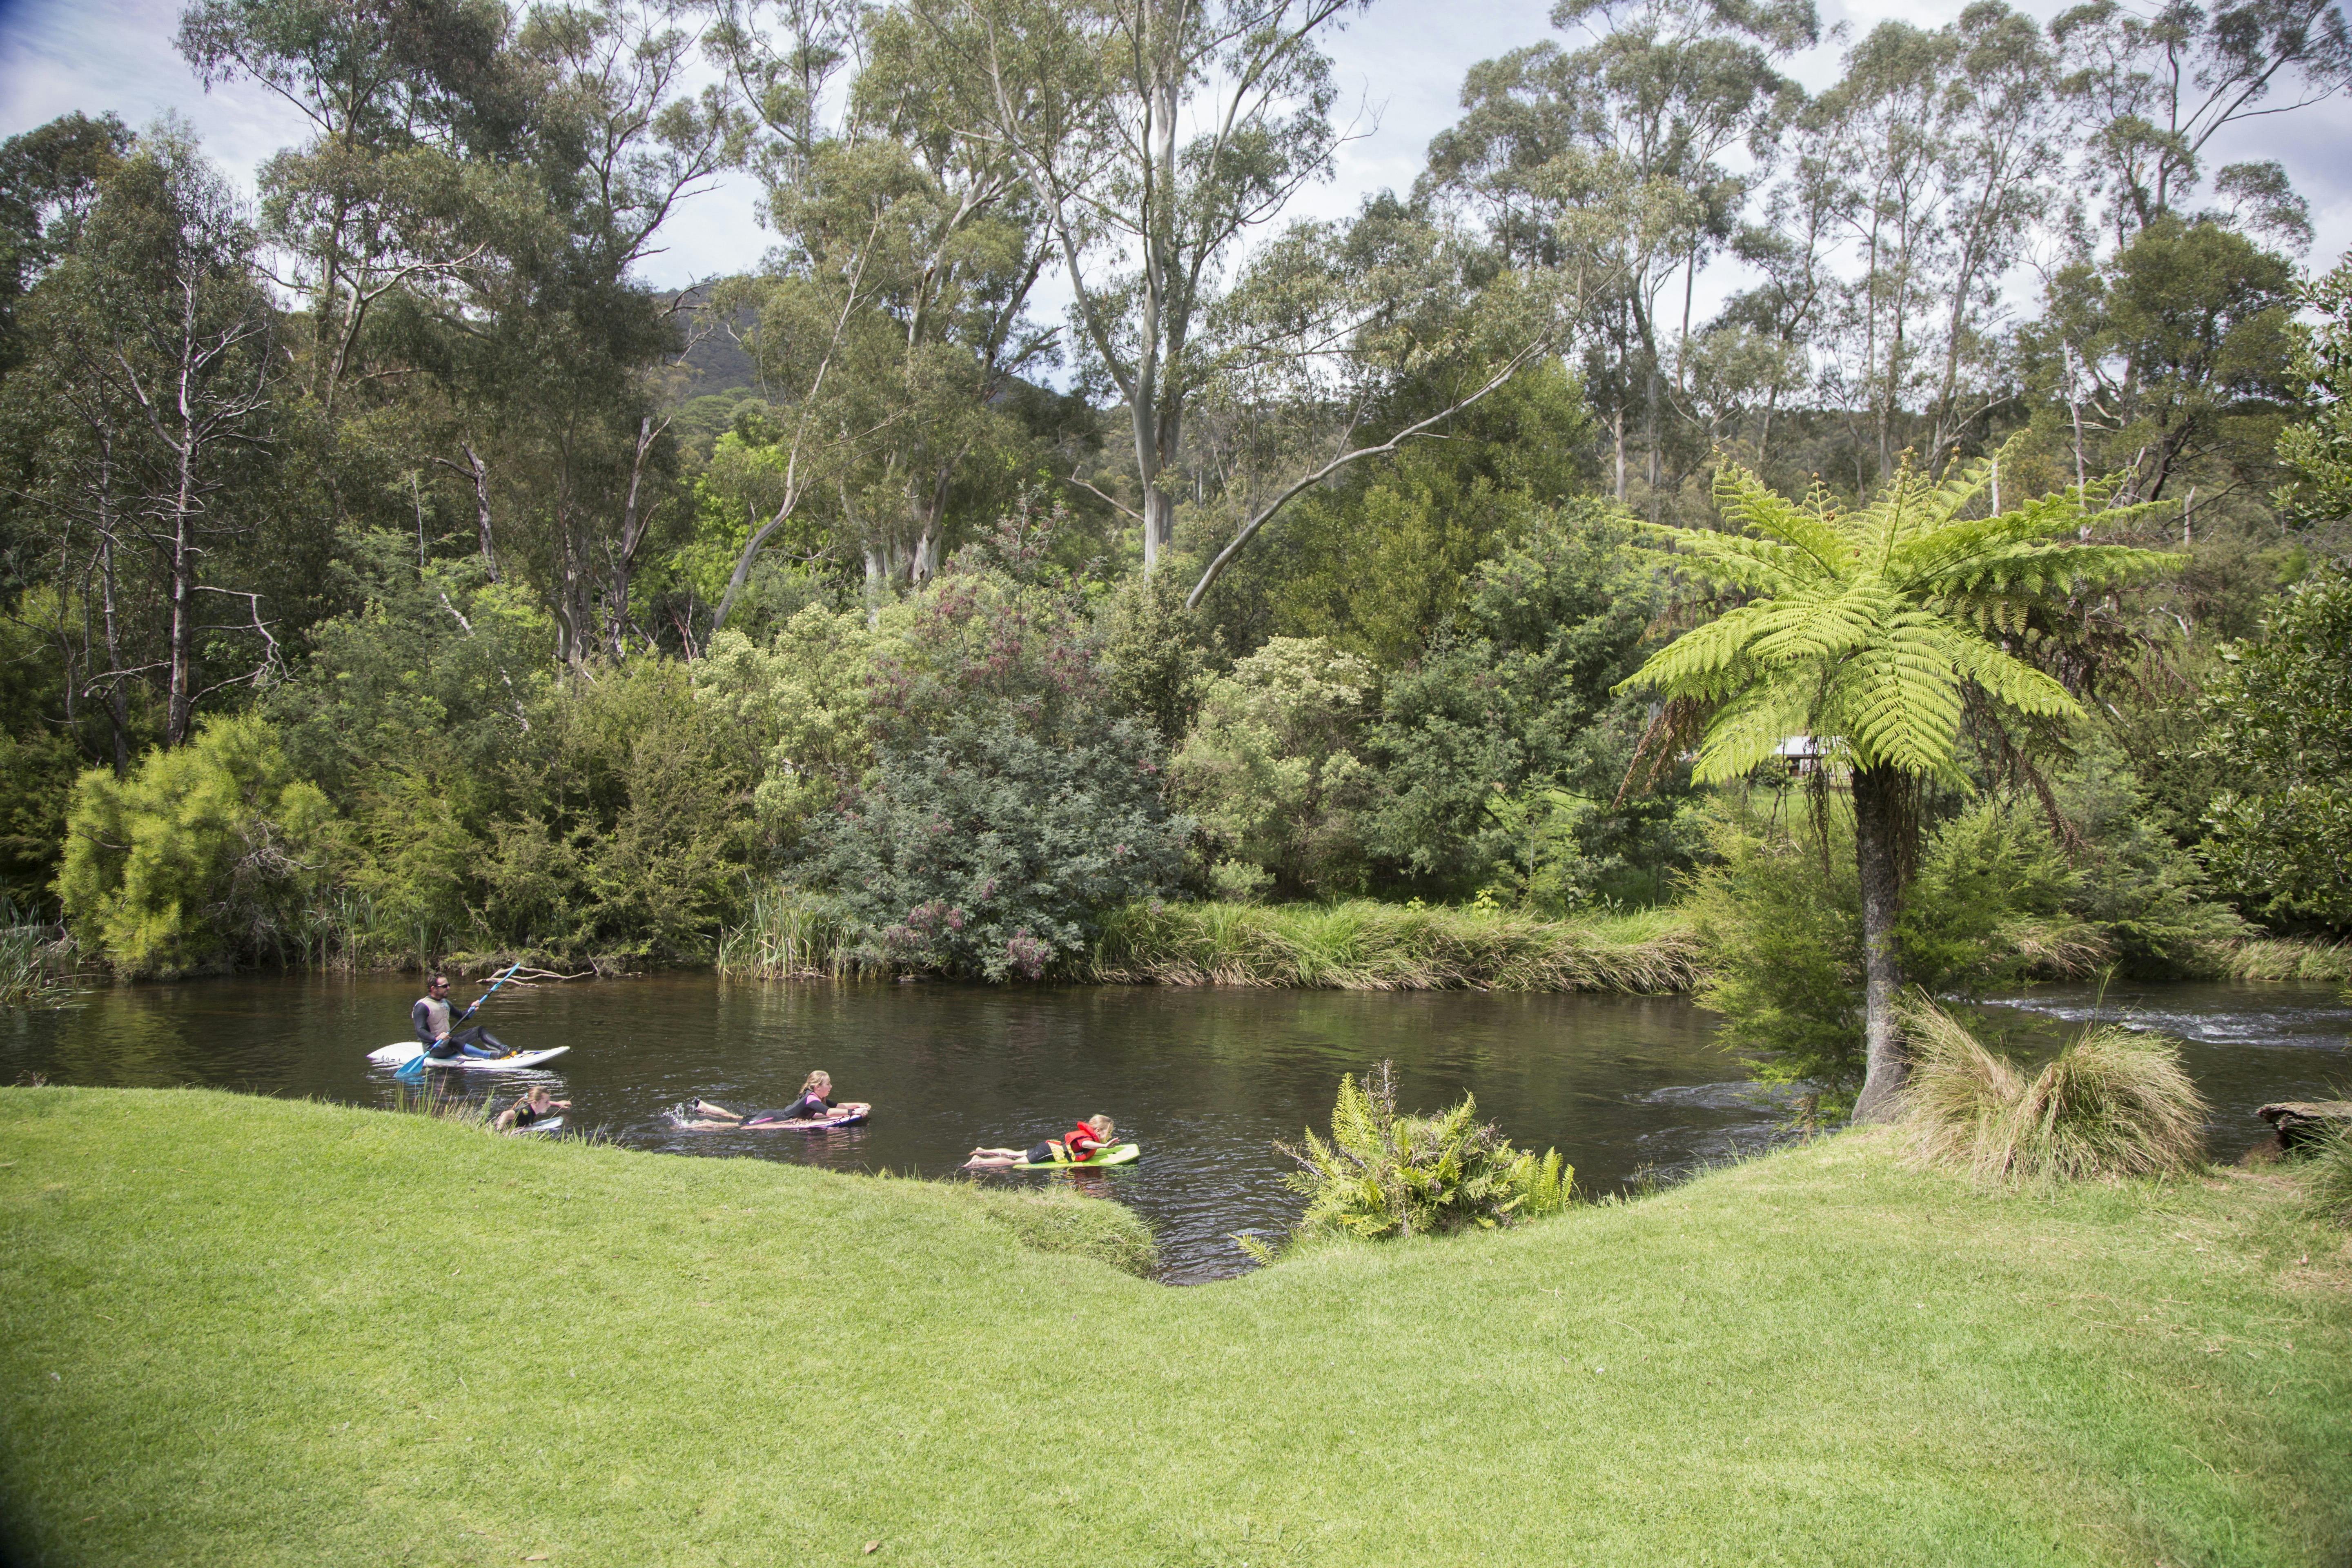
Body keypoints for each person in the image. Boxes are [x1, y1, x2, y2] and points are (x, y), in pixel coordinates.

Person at [673, 1072, 868, 1129]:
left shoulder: (814, 1096)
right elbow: (830, 1113)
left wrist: (860, 1104)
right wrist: (854, 1114)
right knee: (735, 1125)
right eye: (829, 1084)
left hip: (772, 1113)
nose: (831, 1087)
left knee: (736, 1117)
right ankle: (701, 1124)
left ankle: (704, 1107)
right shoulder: (812, 1100)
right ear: (818, 1087)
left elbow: (838, 1106)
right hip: (772, 1119)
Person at [964, 1114, 1116, 1169]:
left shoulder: (1087, 1135)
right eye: (1108, 1133)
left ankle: (983, 1151)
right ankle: (979, 1162)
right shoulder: (1089, 1139)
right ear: (1097, 1131)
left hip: (1048, 1147)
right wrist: (1104, 1145)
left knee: (1016, 1154)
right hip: (1049, 1153)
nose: (1109, 1136)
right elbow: (1085, 1145)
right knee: (1014, 1162)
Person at [412, 974, 508, 1060]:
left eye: (449, 985)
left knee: (478, 1030)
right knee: (453, 1041)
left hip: (448, 1043)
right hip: (433, 1048)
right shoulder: (422, 1006)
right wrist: (436, 1038)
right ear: (434, 989)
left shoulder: (445, 1003)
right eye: (445, 986)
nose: (449, 988)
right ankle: (490, 1056)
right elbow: (420, 1031)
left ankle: (506, 1049)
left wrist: (472, 1009)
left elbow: (463, 1016)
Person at [494, 1085, 570, 1131]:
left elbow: (542, 1102)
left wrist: (558, 1104)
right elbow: (506, 1114)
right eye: (546, 1102)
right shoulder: (526, 1112)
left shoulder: (531, 1105)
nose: (549, 1105)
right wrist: (499, 1133)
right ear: (535, 1103)